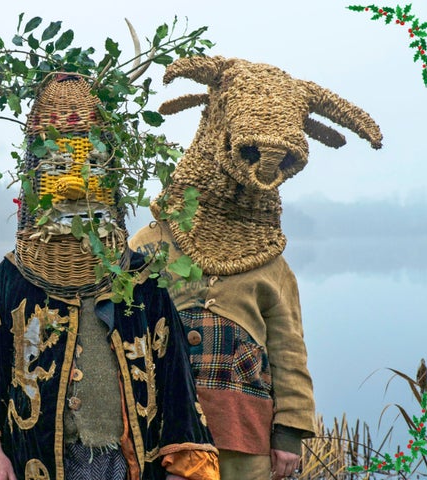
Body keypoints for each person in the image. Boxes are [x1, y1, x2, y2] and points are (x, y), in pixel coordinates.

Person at [0, 76, 219, 480]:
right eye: (58, 166)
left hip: (124, 462)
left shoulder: (141, 279)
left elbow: (175, 380)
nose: (73, 184)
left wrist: (180, 468)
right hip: (39, 459)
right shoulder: (14, 277)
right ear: (36, 177)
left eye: (89, 164)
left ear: (111, 174)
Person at [130, 55, 382, 480]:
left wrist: (289, 434)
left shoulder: (271, 268)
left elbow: (288, 350)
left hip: (245, 438)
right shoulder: (150, 244)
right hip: (163, 431)